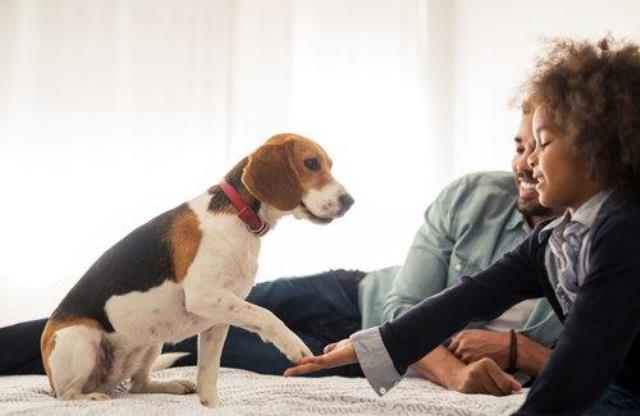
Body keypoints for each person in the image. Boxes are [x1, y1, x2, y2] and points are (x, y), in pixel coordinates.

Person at [0, 112, 562, 395]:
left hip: (365, 357)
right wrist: (458, 369)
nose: (524, 163)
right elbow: (403, 306)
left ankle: (140, 372)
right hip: (355, 293)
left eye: (540, 145)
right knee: (95, 315)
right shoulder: (473, 195)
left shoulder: (598, 254)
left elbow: (603, 360)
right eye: (520, 145)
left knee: (225, 348)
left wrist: (518, 351)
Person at [285, 37, 640, 416]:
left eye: (543, 142)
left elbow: (585, 354)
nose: (530, 159)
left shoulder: (625, 232)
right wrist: (372, 346)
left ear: (596, 149)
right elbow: (468, 298)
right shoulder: (553, 240)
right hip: (609, 391)